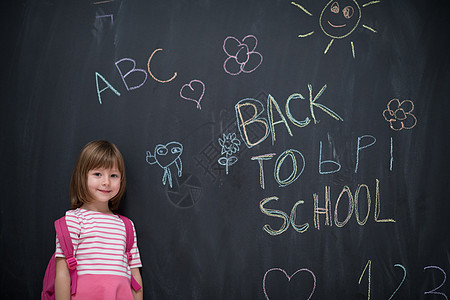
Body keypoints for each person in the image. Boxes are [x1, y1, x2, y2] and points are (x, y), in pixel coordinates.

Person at [54, 140, 143, 300]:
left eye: (113, 175)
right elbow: (62, 274)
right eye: (97, 174)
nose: (106, 182)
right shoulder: (73, 220)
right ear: (82, 176)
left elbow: (134, 275)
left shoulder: (126, 225)